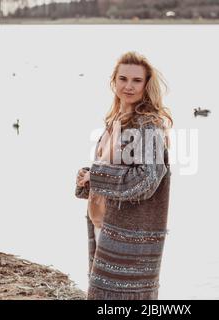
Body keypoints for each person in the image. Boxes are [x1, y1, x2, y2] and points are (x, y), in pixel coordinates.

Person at [75, 51, 173, 300]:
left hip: (130, 237)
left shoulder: (147, 125)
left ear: (146, 85)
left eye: (137, 80)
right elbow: (113, 170)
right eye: (123, 78)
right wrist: (88, 178)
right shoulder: (115, 121)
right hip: (104, 227)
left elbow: (147, 179)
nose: (128, 86)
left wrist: (96, 176)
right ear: (114, 81)